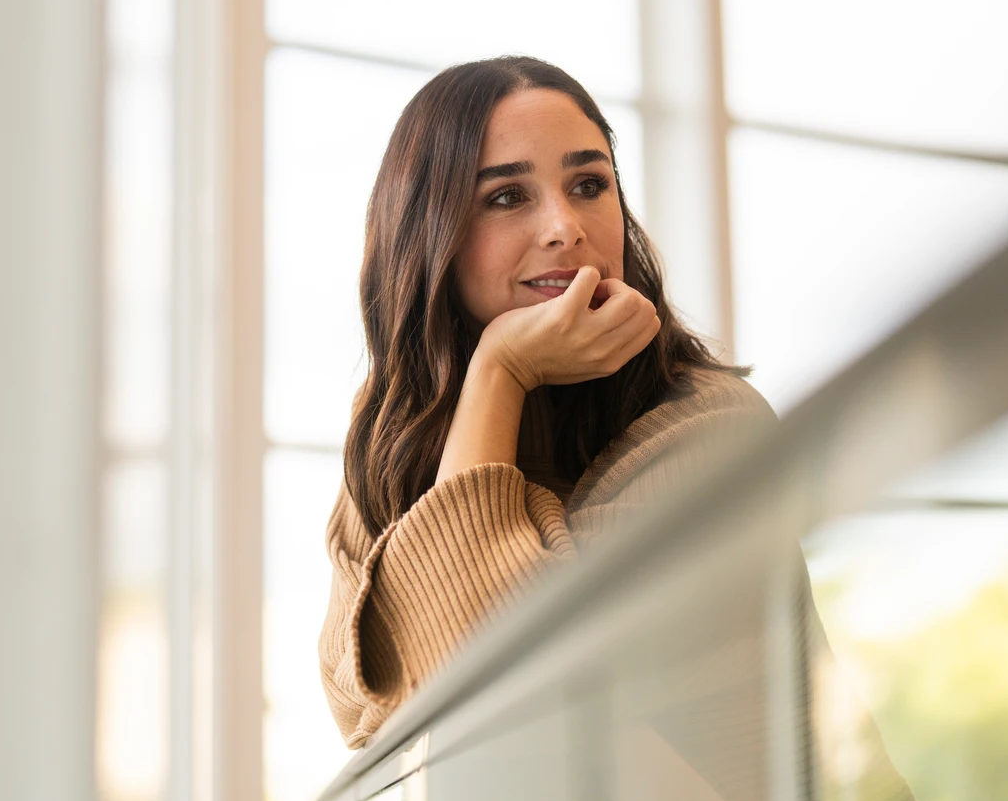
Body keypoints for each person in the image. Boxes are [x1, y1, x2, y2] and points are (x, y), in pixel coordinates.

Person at [318, 56, 766, 746]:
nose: (565, 226)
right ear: (428, 228)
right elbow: (361, 713)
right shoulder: (390, 436)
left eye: (589, 184)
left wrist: (501, 367)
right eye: (506, 197)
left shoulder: (709, 422)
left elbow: (520, 702)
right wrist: (497, 381)